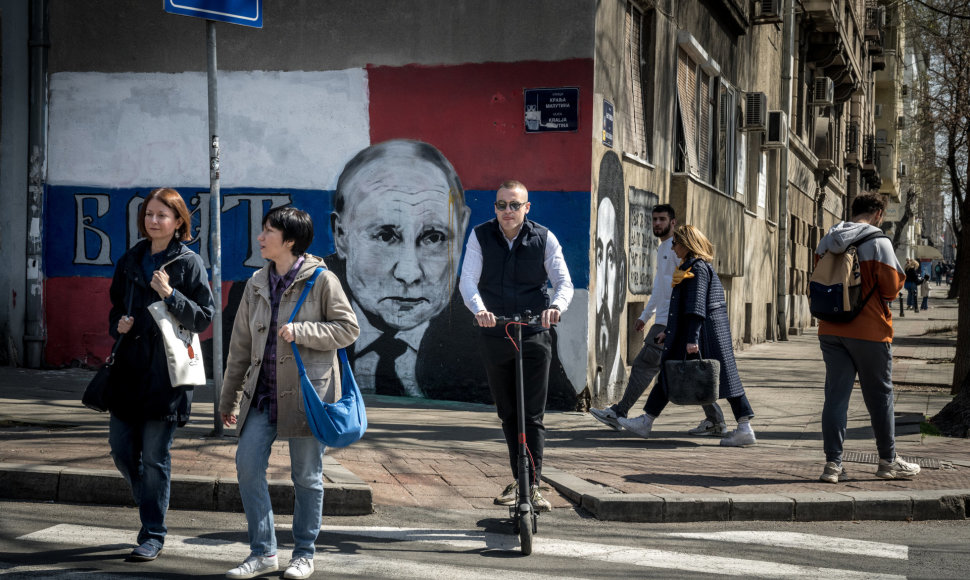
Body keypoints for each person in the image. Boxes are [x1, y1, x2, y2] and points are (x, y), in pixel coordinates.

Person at [221, 207, 360, 580]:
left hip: (307, 396)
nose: (261, 237)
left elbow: (348, 330)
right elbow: (239, 346)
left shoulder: (322, 281)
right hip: (261, 395)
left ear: (290, 240)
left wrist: (304, 332)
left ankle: (304, 553)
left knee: (307, 477)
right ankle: (263, 551)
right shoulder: (254, 283)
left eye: (268, 231)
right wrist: (228, 399)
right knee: (248, 466)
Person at [327, 139, 485, 400]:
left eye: (433, 237)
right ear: (341, 235)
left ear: (462, 228)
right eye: (386, 236)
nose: (409, 273)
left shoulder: (489, 319)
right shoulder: (288, 298)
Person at [106, 187, 214, 561]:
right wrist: (117, 325)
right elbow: (116, 307)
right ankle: (150, 501)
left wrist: (170, 295)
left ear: (179, 221)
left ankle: (153, 532)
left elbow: (204, 317)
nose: (154, 221)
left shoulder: (188, 263)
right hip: (128, 371)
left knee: (154, 458)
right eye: (149, 214)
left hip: (167, 374)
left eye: (162, 215)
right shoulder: (130, 259)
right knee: (121, 451)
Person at [459, 180, 573, 512]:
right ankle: (518, 478)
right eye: (500, 205)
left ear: (526, 208)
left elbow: (563, 281)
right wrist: (479, 309)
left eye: (514, 205)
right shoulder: (481, 236)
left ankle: (532, 485)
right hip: (496, 332)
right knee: (509, 414)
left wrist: (556, 307)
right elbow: (468, 279)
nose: (507, 211)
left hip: (535, 332)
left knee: (532, 416)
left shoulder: (544, 237)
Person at [589, 205, 726, 436]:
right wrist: (644, 315)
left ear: (673, 222)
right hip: (664, 320)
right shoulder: (665, 248)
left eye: (662, 219)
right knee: (681, 370)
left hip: (669, 322)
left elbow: (681, 291)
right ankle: (715, 421)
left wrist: (673, 323)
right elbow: (660, 288)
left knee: (649, 366)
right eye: (654, 219)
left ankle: (621, 413)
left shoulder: (678, 250)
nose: (657, 224)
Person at [617, 225, 757, 447]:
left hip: (702, 336)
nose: (672, 248)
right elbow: (686, 307)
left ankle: (744, 427)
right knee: (675, 375)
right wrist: (667, 331)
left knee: (717, 379)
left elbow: (695, 307)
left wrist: (692, 339)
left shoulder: (698, 269)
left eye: (676, 243)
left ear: (687, 244)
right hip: (700, 334)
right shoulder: (692, 266)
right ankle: (647, 421)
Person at [815, 193, 920, 484]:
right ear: (877, 214)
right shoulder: (879, 242)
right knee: (880, 396)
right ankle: (888, 461)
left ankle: (833, 465)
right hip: (870, 330)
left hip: (831, 327)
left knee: (835, 397)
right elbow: (890, 289)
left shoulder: (828, 239)